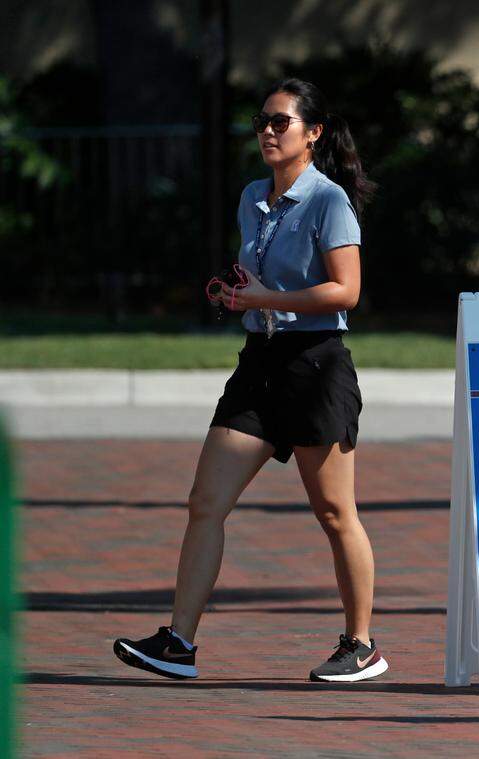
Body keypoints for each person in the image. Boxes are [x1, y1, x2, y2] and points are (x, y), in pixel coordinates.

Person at [112, 78, 389, 684]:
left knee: (337, 513)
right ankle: (179, 643)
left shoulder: (329, 201)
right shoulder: (251, 198)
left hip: (316, 365)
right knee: (205, 502)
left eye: (280, 123)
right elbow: (262, 280)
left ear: (312, 133)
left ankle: (361, 645)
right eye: (261, 122)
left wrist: (271, 296)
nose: (266, 131)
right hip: (259, 364)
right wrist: (244, 293)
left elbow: (347, 291)